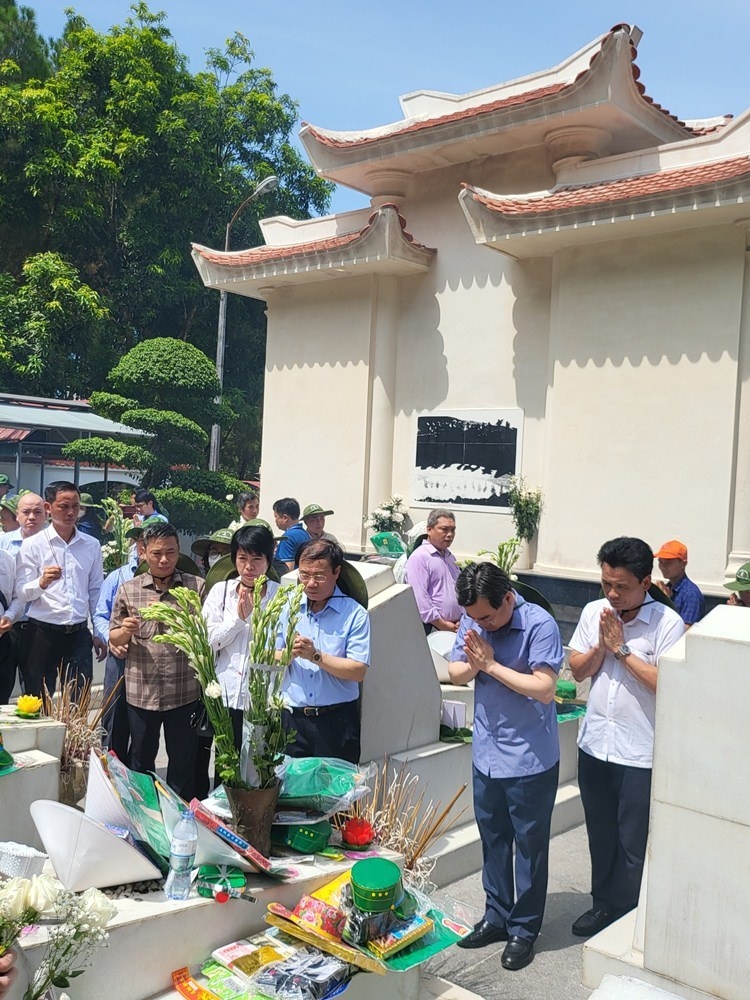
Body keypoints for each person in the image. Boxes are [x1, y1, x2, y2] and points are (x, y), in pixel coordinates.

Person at [568, 536, 685, 938]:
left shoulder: (666, 623)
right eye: (606, 585)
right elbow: (578, 670)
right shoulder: (594, 612)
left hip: (639, 752)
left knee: (633, 841)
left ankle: (629, 914)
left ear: (645, 582)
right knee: (600, 833)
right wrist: (602, 645)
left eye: (622, 586)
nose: (613, 594)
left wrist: (621, 651)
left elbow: (668, 684)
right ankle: (602, 905)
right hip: (596, 743)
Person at [449, 562, 562, 971]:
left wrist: (492, 664)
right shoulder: (473, 619)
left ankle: (524, 929)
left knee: (529, 849)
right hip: (487, 754)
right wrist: (477, 660)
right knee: (493, 838)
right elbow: (456, 671)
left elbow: (545, 689)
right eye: (474, 617)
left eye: (487, 616)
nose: (480, 624)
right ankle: (496, 916)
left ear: (508, 598)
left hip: (529, 757)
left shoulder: (540, 624)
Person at [109, 521, 204, 800]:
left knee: (183, 761)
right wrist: (125, 631)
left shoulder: (195, 588)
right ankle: (145, 813)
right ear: (143, 551)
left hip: (183, 692)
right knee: (141, 759)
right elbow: (113, 637)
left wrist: (174, 618)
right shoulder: (129, 589)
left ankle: (179, 817)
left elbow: (207, 635)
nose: (164, 560)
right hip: (141, 693)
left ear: (179, 552)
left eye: (171, 553)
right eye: (157, 553)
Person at [278, 539, 369, 763]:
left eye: (319, 576)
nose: (310, 583)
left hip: (337, 721)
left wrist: (315, 656)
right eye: (304, 575)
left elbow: (358, 670)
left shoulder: (354, 614)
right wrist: (289, 653)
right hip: (293, 720)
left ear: (336, 572)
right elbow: (268, 656)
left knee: (337, 795)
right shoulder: (286, 606)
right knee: (290, 794)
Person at [15, 481, 106, 697]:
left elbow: (95, 591)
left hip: (78, 634)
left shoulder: (91, 545)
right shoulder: (33, 545)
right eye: (64, 506)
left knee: (78, 702)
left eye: (76, 506)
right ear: (48, 508)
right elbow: (21, 592)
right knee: (37, 700)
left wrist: (99, 632)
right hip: (42, 633)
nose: (71, 512)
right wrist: (41, 582)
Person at [203, 524, 279, 750]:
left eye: (257, 559)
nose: (249, 567)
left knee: (260, 768)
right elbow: (210, 640)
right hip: (226, 696)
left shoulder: (281, 595)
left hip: (263, 699)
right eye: (242, 558)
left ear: (268, 559)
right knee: (227, 766)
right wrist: (238, 619)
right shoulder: (221, 592)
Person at [93, 518, 161, 764]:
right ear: (140, 546)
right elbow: (101, 615)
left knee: (144, 731)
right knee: (114, 724)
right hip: (120, 661)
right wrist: (111, 640)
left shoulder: (173, 579)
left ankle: (139, 780)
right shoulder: (118, 577)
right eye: (146, 542)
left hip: (150, 666)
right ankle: (111, 778)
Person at [0, 492, 46, 698]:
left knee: (35, 691)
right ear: (17, 515)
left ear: (47, 513)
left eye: (37, 512)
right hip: (7, 629)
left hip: (39, 627)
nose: (31, 517)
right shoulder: (3, 545)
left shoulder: (54, 545)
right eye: (26, 512)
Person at [404, 509, 462, 633]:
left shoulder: (449, 557)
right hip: (433, 629)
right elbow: (420, 598)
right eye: (444, 529)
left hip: (456, 627)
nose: (450, 534)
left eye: (452, 530)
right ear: (429, 529)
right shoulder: (420, 558)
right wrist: (442, 624)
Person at [653, 539, 704, 626]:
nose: (663, 567)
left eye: (668, 562)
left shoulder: (691, 594)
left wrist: (665, 603)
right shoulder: (668, 587)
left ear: (683, 564)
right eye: (660, 562)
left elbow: (685, 632)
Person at [273, 498, 311, 569]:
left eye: (276, 517)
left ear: (285, 518)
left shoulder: (287, 538)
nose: (275, 520)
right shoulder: (305, 534)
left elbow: (287, 568)